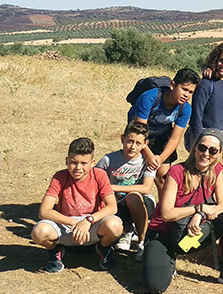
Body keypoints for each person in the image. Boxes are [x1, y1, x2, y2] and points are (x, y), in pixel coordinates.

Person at [143, 129, 223, 293]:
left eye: (213, 150)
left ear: (218, 153)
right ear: (194, 148)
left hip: (190, 234)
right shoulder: (177, 172)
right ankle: (166, 258)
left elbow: (222, 205)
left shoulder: (217, 170)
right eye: (202, 147)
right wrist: (198, 209)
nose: (206, 153)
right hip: (163, 234)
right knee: (156, 286)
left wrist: (199, 215)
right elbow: (166, 214)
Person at [32, 138, 123, 273]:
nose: (78, 168)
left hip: (92, 225)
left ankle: (103, 247)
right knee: (38, 232)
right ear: (66, 160)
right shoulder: (60, 177)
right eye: (73, 162)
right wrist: (74, 223)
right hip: (67, 226)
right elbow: (44, 211)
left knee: (115, 225)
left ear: (92, 163)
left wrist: (88, 220)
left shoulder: (99, 175)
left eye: (83, 163)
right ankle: (55, 251)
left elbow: (112, 207)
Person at [128, 68, 200, 193]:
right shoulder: (150, 98)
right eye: (183, 89)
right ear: (173, 85)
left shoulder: (186, 109)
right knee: (136, 174)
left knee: (163, 177)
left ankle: (164, 209)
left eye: (190, 92)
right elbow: (139, 132)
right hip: (138, 135)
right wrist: (149, 156)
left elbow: (175, 138)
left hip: (161, 137)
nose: (186, 95)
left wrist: (160, 159)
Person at [96, 121, 156, 262]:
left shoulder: (147, 162)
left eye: (138, 143)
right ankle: (127, 230)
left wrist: (113, 187)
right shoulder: (108, 159)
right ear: (122, 139)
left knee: (133, 197)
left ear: (145, 144)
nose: (133, 147)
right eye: (130, 141)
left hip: (142, 203)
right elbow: (95, 181)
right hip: (115, 203)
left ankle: (142, 241)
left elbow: (146, 188)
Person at [187, 41, 223, 153]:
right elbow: (196, 113)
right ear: (215, 60)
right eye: (221, 60)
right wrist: (200, 138)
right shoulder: (207, 83)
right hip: (204, 132)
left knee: (218, 169)